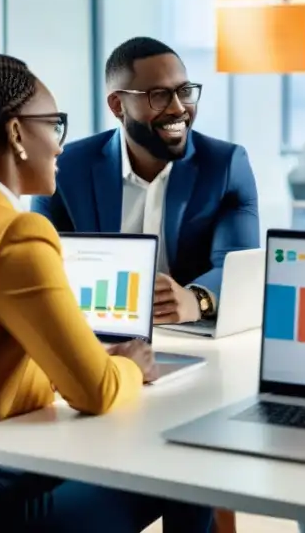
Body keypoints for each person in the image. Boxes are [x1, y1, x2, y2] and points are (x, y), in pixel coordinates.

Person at [0, 53, 212, 533]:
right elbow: (96, 392)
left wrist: (79, 360)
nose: (59, 146)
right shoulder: (15, 234)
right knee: (186, 463)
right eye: (54, 125)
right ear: (15, 134)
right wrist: (130, 366)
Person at [32, 37, 259, 325]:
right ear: (117, 105)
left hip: (189, 337)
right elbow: (39, 268)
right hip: (93, 335)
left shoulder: (225, 166)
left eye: (184, 91)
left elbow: (237, 265)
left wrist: (196, 298)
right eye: (159, 95)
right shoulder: (66, 169)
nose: (178, 108)